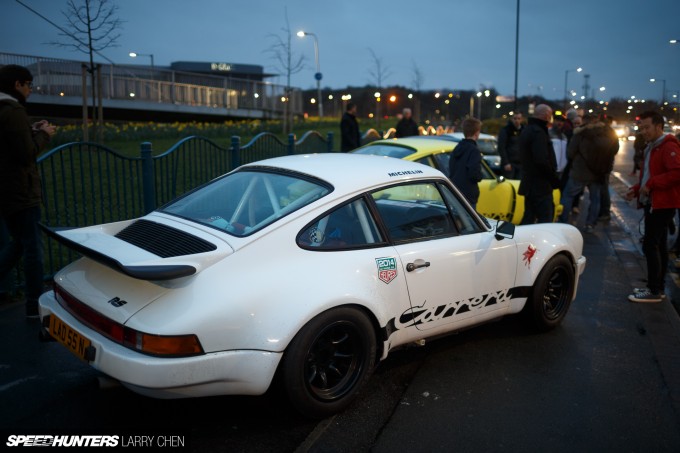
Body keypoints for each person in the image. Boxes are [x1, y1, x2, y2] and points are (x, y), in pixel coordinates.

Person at [0, 64, 56, 318]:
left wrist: (31, 130)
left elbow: (11, 144)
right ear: (17, 85)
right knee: (33, 248)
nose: (31, 89)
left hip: (8, 190)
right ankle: (35, 305)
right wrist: (44, 135)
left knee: (20, 245)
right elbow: (25, 154)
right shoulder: (12, 110)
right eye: (28, 84)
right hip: (20, 191)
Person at [625, 110, 680, 303]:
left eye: (647, 127)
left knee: (650, 244)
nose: (643, 131)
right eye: (641, 128)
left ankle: (653, 290)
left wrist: (651, 185)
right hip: (656, 202)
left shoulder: (667, 146)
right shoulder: (653, 146)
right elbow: (649, 175)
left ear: (659, 126)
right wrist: (637, 188)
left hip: (662, 203)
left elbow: (676, 173)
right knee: (660, 245)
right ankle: (657, 287)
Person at [558, 114, 619, 231]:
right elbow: (614, 150)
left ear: (585, 121)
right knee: (595, 199)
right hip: (598, 172)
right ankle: (590, 224)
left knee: (568, 196)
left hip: (579, 172)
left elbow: (570, 153)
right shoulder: (609, 133)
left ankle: (563, 222)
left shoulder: (580, 133)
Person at [518, 104, 560, 224]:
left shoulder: (527, 130)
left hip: (529, 182)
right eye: (550, 115)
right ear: (546, 115)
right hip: (540, 185)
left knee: (529, 217)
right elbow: (541, 160)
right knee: (546, 218)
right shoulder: (538, 132)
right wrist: (553, 179)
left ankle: (523, 240)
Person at [448, 117, 483, 209]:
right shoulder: (474, 150)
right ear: (476, 133)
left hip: (455, 191)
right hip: (468, 193)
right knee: (469, 221)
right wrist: (480, 176)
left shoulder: (457, 148)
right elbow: (474, 173)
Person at [598, 115, 620, 221]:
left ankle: (604, 212)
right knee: (603, 188)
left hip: (601, 164)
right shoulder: (612, 132)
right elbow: (615, 149)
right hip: (606, 164)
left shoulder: (601, 132)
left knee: (602, 189)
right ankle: (604, 211)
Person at [497, 111, 523, 179]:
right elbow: (501, 147)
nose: (517, 120)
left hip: (521, 164)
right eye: (515, 118)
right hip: (510, 164)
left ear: (521, 119)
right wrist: (506, 162)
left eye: (519, 118)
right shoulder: (506, 130)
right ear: (511, 119)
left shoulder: (523, 130)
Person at [550, 113, 569, 181]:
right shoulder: (548, 133)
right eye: (557, 120)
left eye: (561, 121)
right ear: (553, 121)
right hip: (551, 170)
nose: (560, 123)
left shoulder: (564, 137)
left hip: (561, 171)